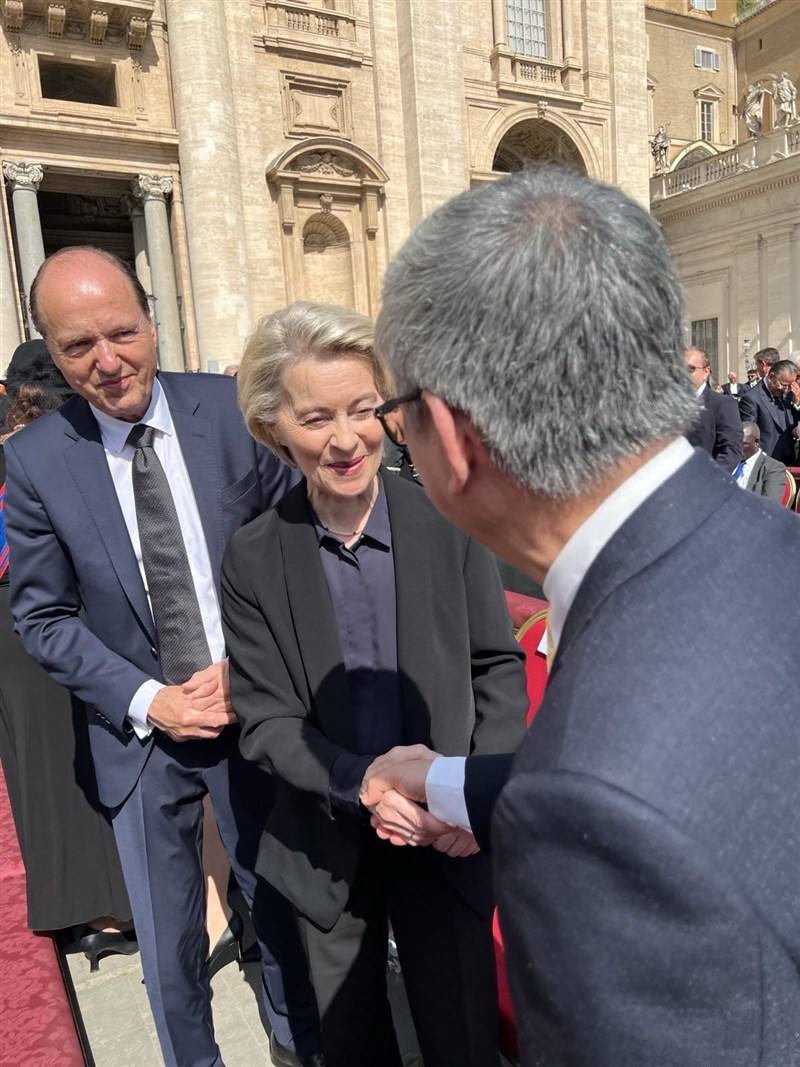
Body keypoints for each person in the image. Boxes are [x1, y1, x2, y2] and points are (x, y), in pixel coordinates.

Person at [360, 165, 800, 1066]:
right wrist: (454, 783)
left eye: (392, 413)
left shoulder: (587, 811)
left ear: (450, 433)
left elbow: (631, 794)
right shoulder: (766, 542)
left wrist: (543, 801)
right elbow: (723, 775)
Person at [3, 247, 322, 1067]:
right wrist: (151, 698)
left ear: (152, 320)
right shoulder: (37, 459)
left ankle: (300, 1044)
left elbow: (299, 547)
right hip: (139, 739)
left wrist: (253, 666)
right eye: (78, 346)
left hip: (252, 712)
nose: (108, 361)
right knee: (170, 944)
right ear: (53, 351)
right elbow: (42, 615)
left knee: (278, 905)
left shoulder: (230, 413)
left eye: (121, 332)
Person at [221, 301, 528, 1067]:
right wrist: (361, 781)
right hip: (327, 849)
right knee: (353, 1045)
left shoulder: (448, 521)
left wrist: (473, 796)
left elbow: (495, 667)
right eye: (316, 417)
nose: (346, 438)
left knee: (463, 1040)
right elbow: (265, 718)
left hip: (446, 838)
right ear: (273, 427)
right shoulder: (254, 556)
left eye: (363, 409)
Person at [0, 375, 134, 954]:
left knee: (39, 766)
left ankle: (75, 905)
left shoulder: (20, 455)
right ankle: (112, 909)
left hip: (15, 619)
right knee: (83, 755)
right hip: (56, 613)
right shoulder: (57, 453)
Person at [684, 347, 742, 471]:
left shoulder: (722, 404)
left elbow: (731, 450)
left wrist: (709, 478)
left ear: (706, 372)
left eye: (690, 369)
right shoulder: (668, 405)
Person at [738, 357, 799, 464]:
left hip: (789, 461)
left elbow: (793, 423)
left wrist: (796, 404)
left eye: (790, 385)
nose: (787, 389)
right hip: (766, 463)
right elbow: (749, 436)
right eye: (784, 385)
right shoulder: (751, 398)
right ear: (771, 377)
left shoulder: (788, 394)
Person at [735, 422, 786, 503]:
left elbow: (769, 504)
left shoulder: (773, 468)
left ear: (756, 442)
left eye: (744, 444)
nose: (738, 448)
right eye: (736, 443)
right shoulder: (730, 461)